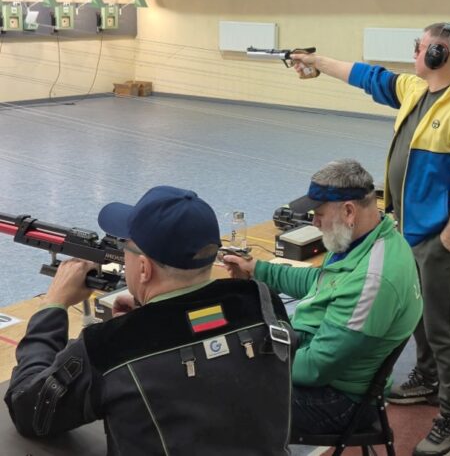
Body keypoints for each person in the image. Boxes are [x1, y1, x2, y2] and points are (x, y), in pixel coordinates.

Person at [290, 25, 450, 456]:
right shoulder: (418, 90)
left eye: (419, 46)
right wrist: (317, 61)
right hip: (412, 231)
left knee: (444, 329)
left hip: (436, 237)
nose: (414, 52)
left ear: (438, 53)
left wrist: (448, 238)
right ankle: (428, 379)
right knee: (419, 315)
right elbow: (369, 77)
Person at [4, 186, 293, 456]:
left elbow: (29, 410)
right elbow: (205, 336)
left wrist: (52, 307)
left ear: (144, 268)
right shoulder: (261, 301)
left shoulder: (108, 346)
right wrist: (148, 316)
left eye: (124, 246)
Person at [224, 159, 423, 437]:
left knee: (221, 398)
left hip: (338, 399)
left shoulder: (372, 281)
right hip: (322, 362)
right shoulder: (370, 239)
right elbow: (320, 282)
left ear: (349, 211)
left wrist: (258, 363)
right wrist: (257, 269)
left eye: (318, 214)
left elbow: (315, 369)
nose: (314, 223)